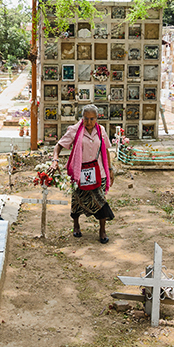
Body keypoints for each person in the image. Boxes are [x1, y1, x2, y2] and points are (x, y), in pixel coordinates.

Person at [47, 104, 114, 244]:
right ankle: (76, 225)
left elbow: (105, 150)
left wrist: (111, 169)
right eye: (86, 118)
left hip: (98, 171)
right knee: (77, 200)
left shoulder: (101, 130)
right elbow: (58, 145)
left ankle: (102, 230)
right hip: (80, 173)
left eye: (92, 119)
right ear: (81, 117)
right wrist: (55, 160)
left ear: (97, 118)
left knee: (101, 200)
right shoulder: (75, 130)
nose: (89, 122)